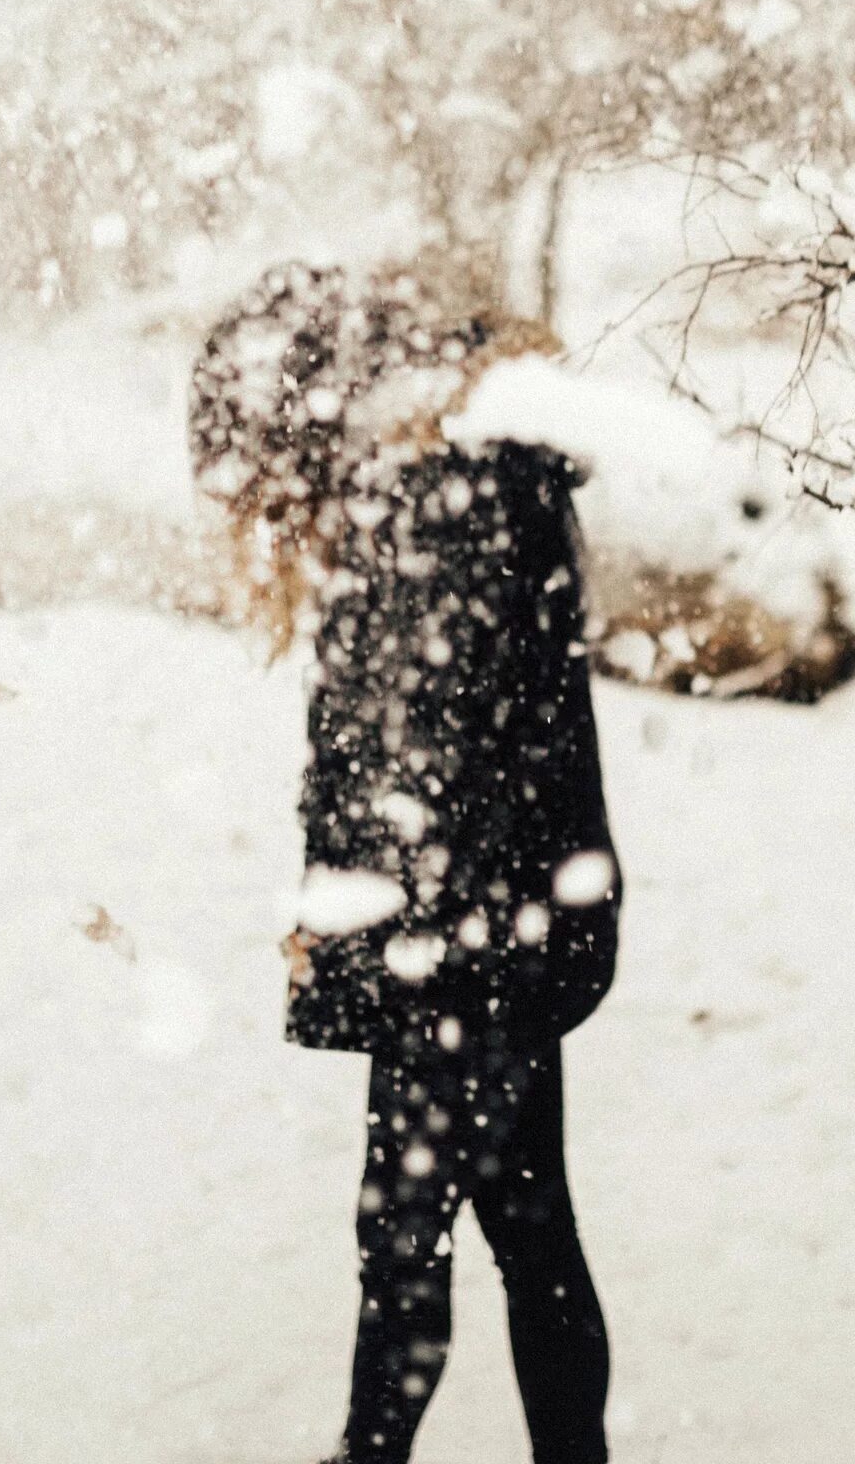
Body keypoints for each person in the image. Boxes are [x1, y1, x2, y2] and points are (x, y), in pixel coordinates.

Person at [188, 263, 624, 1464]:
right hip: (504, 927)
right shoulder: (455, 484)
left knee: (409, 1236)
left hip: (472, 942)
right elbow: (398, 764)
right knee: (526, 1230)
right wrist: (348, 906)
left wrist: (358, 920)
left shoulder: (433, 511)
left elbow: (420, 778)